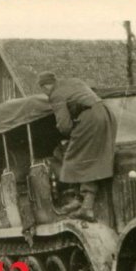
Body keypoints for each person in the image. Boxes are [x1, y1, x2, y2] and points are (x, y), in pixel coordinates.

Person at [39, 71, 117, 222]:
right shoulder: (73, 81)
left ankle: (85, 207)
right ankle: (79, 199)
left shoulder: (55, 94)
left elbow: (64, 126)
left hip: (90, 119)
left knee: (76, 158)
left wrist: (67, 134)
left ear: (44, 87)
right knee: (89, 156)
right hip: (107, 114)